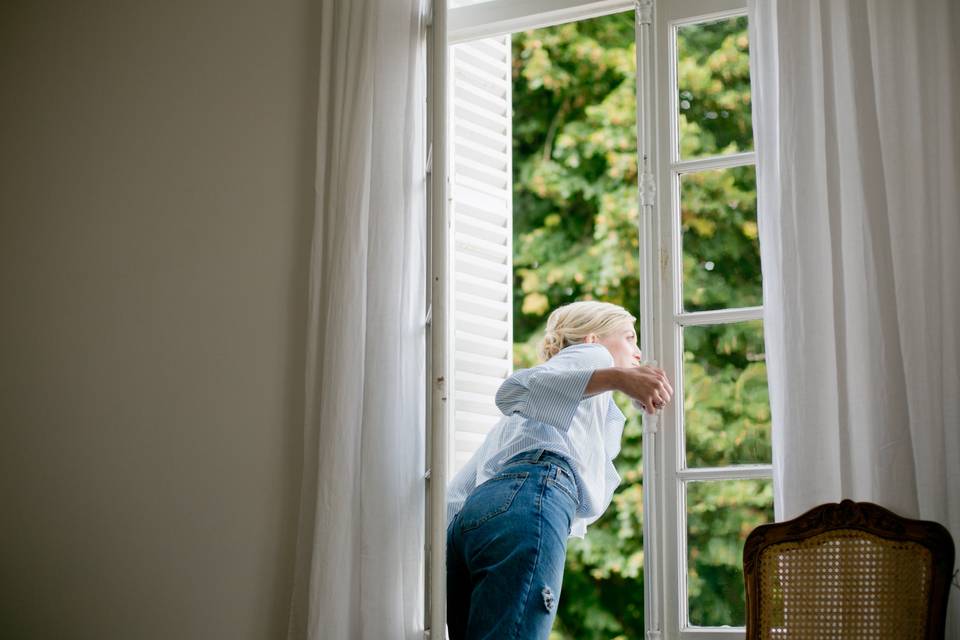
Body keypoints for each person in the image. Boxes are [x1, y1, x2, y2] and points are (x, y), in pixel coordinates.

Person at [445, 300, 674, 640]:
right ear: (592, 339)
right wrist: (618, 376)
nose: (638, 352)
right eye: (629, 337)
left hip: (469, 527)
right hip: (531, 501)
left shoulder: (525, 425)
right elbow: (512, 390)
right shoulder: (592, 355)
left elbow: (458, 495)